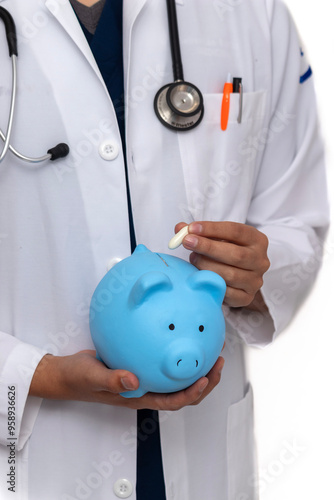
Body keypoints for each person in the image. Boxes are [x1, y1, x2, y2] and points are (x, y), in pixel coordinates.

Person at [0, 0, 329, 499]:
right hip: (32, 460)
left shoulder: (251, 11)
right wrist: (34, 374)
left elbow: (296, 220)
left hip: (201, 458)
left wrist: (255, 271)